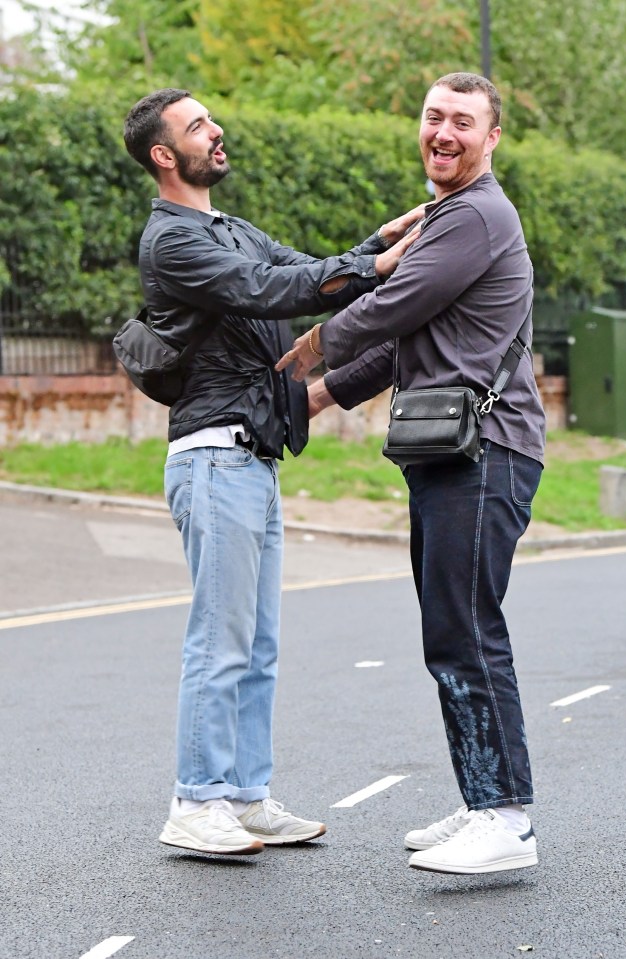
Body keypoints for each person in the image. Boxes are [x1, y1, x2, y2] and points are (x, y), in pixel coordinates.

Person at [123, 88, 422, 857]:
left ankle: (247, 795)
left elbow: (302, 271)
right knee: (218, 640)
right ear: (164, 155)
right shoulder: (174, 242)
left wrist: (371, 245)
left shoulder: (229, 229)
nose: (216, 130)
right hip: (213, 454)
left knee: (256, 645)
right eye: (197, 126)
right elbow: (271, 290)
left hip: (251, 457)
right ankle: (195, 800)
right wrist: (368, 265)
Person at [276, 73, 546, 875]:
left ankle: (506, 818)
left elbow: (393, 308)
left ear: (491, 138)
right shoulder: (445, 216)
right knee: (448, 630)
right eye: (434, 117)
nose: (444, 132)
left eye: (463, 121)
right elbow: (403, 350)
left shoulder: (477, 214)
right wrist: (312, 401)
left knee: (467, 629)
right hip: (448, 450)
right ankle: (482, 796)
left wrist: (307, 349)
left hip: (487, 449)